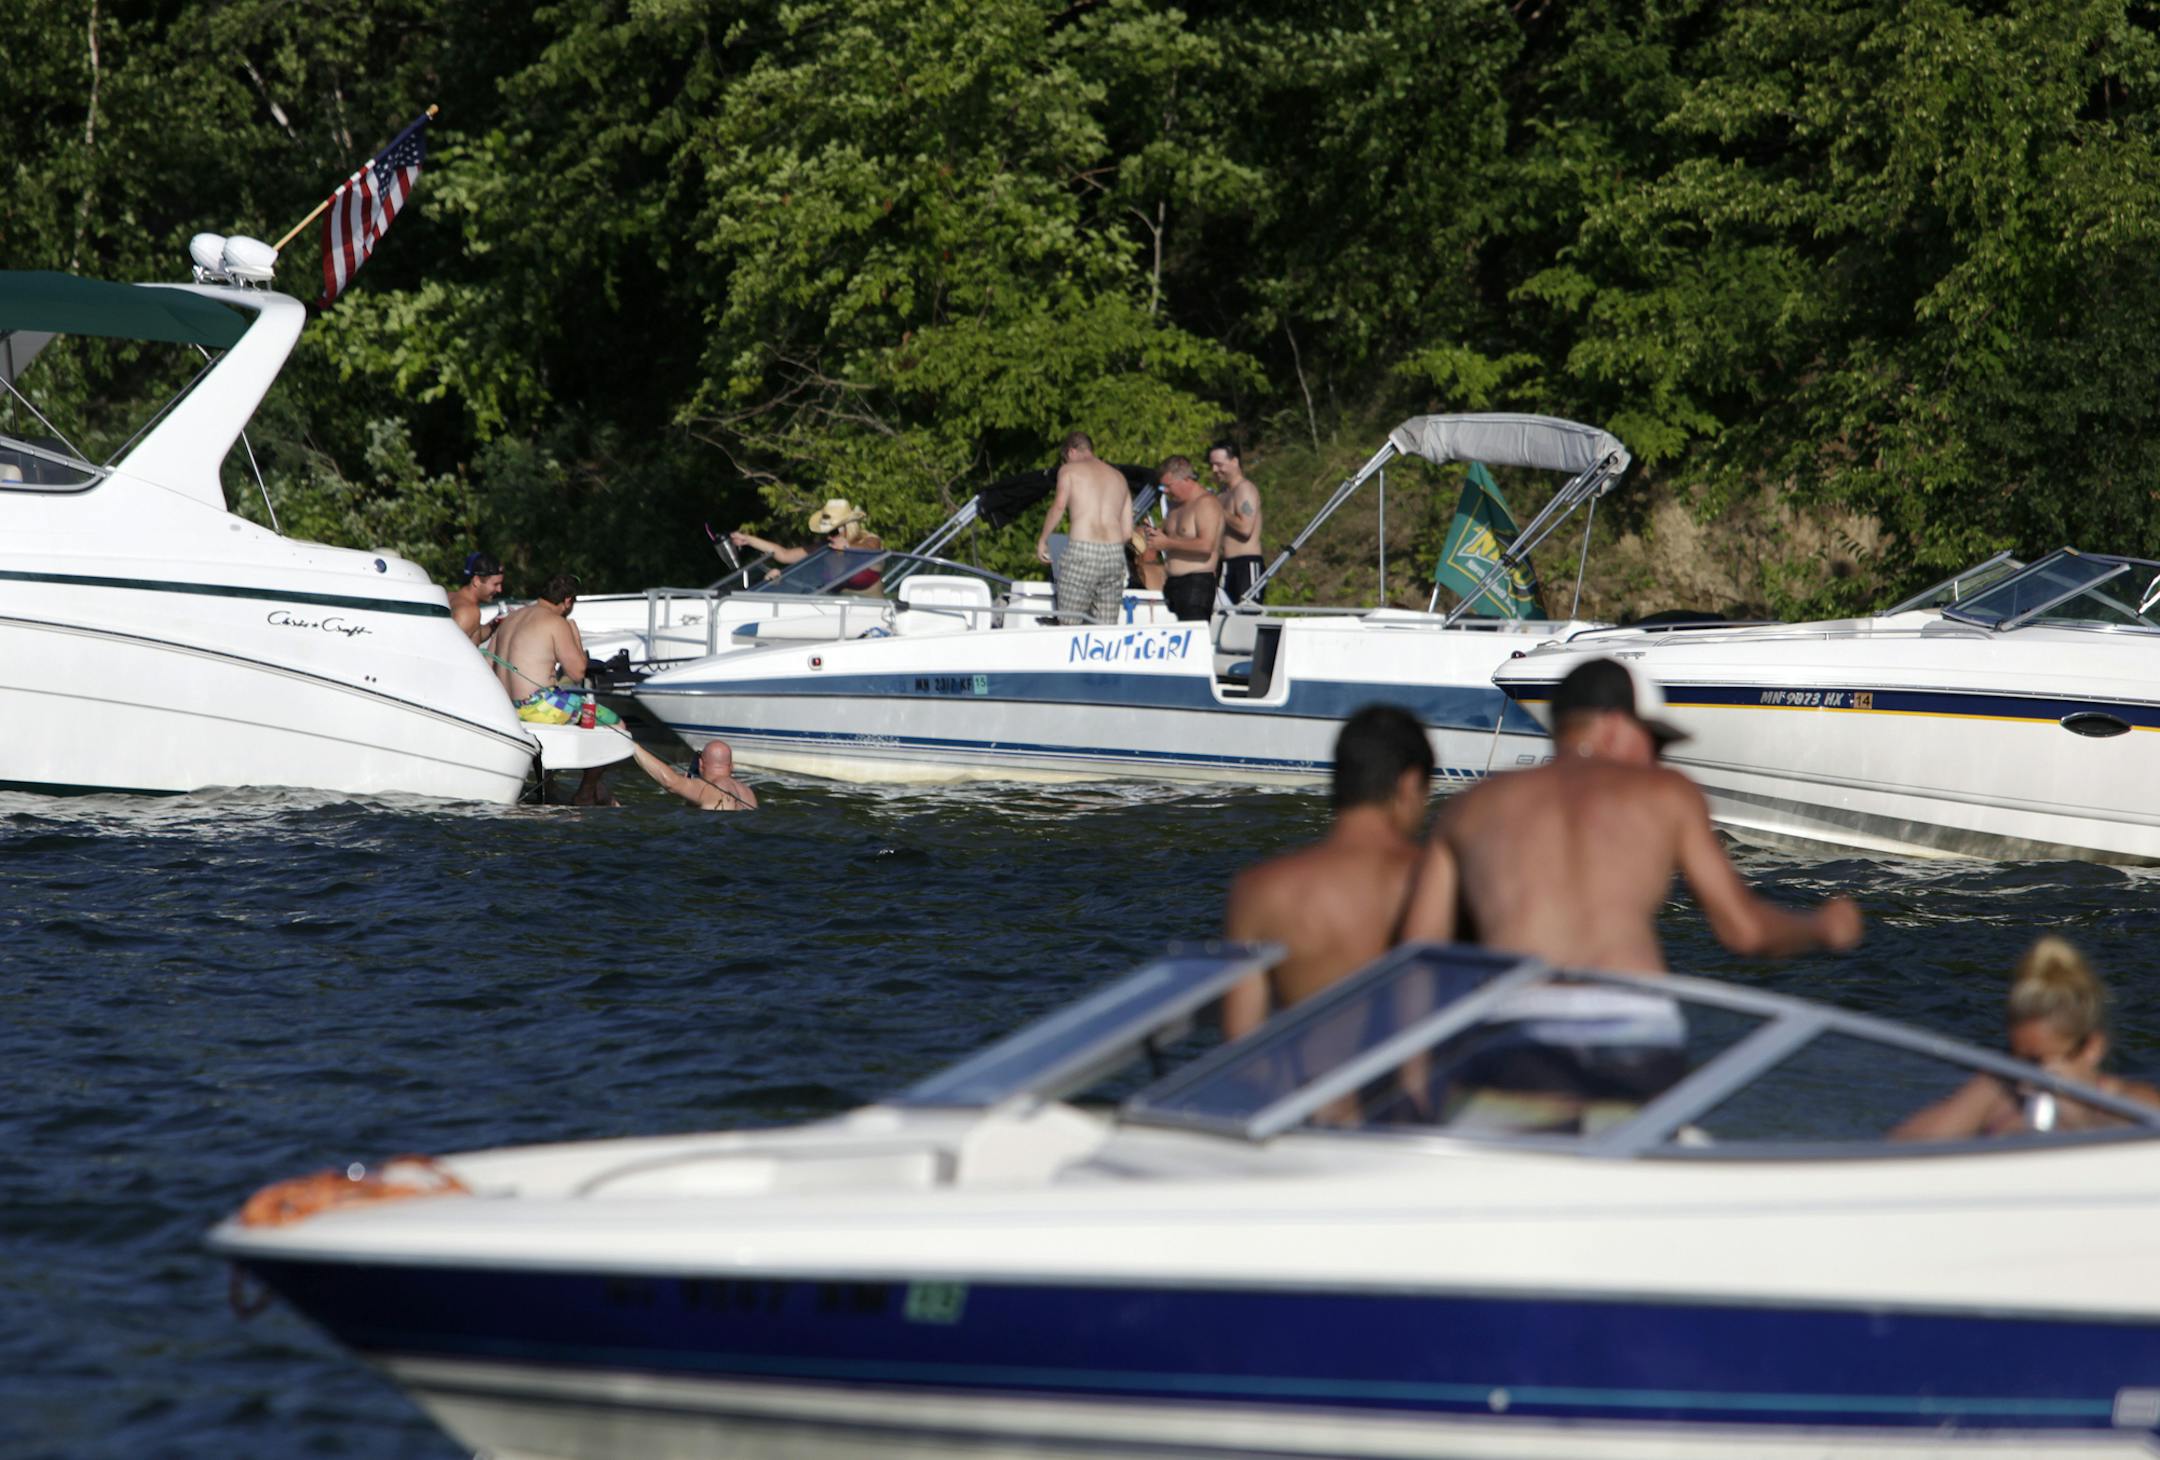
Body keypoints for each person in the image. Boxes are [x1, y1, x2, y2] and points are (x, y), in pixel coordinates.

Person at [1398, 656, 1861, 972]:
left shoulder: (1470, 807)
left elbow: (1415, 956)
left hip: (1509, 1044)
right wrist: (1824, 925)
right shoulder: (1665, 794)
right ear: (1616, 724)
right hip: (1624, 1042)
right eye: (1654, 742)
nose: (1656, 760)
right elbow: (1744, 932)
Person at [1222, 706, 1438, 1040]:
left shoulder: (1260, 890)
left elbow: (1239, 1043)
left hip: (1306, 1088)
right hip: (1406, 1089)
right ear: (1409, 785)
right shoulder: (1429, 880)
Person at [1893, 938, 2160, 1140]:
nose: (2029, 1077)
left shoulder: (2132, 1106)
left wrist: (2078, 1118)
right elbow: (1900, 1150)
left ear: (2092, 1048)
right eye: (2018, 1059)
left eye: (2041, 1062)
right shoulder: (1998, 1092)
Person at [1036, 431, 1135, 625]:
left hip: (1083, 549)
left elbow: (1058, 506)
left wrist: (1043, 540)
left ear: (1071, 452)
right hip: (1114, 554)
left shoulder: (1069, 471)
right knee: (1105, 629)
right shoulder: (1119, 477)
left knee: (1069, 624)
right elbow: (1127, 532)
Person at [1142, 455, 1224, 622]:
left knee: (1191, 639)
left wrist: (1167, 543)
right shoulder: (1175, 506)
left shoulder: (1205, 503)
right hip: (1172, 583)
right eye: (1162, 487)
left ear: (1186, 479)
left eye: (1168, 486)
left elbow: (1206, 545)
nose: (1165, 491)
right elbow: (1172, 538)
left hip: (1196, 584)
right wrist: (1154, 534)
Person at [730, 500, 885, 586]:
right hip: (834, 611)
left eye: (832, 531)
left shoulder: (869, 540)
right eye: (825, 533)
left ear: (848, 527)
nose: (828, 537)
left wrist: (848, 547)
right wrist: (749, 540)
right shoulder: (827, 547)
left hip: (873, 612)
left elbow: (871, 551)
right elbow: (785, 555)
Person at [625, 739, 759, 812]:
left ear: (701, 763)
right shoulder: (748, 792)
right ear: (732, 765)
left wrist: (633, 746)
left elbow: (670, 782)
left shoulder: (710, 788)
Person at [1207, 441, 1266, 605]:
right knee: (1224, 617)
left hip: (1245, 564)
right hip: (1225, 566)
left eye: (1219, 465)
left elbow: (1245, 528)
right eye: (1212, 465)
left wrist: (1218, 509)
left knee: (1246, 616)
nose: (1214, 470)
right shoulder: (1223, 494)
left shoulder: (1245, 489)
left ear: (1234, 462)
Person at [446, 551, 505, 645]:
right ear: (476, 581)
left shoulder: (449, 597)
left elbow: (474, 634)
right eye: (496, 584)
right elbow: (448, 649)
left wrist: (494, 624)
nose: (499, 590)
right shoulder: (468, 611)